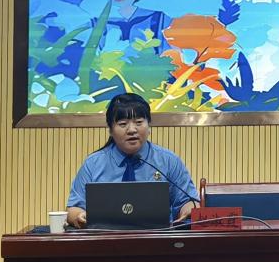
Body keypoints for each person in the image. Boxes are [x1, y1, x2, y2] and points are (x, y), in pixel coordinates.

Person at [66, 92, 197, 228]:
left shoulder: (169, 161)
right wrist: (79, 216)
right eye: (123, 124)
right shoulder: (93, 164)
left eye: (139, 122)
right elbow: (73, 208)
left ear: (149, 125)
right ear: (110, 130)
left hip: (157, 238)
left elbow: (188, 202)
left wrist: (189, 210)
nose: (132, 130)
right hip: (106, 238)